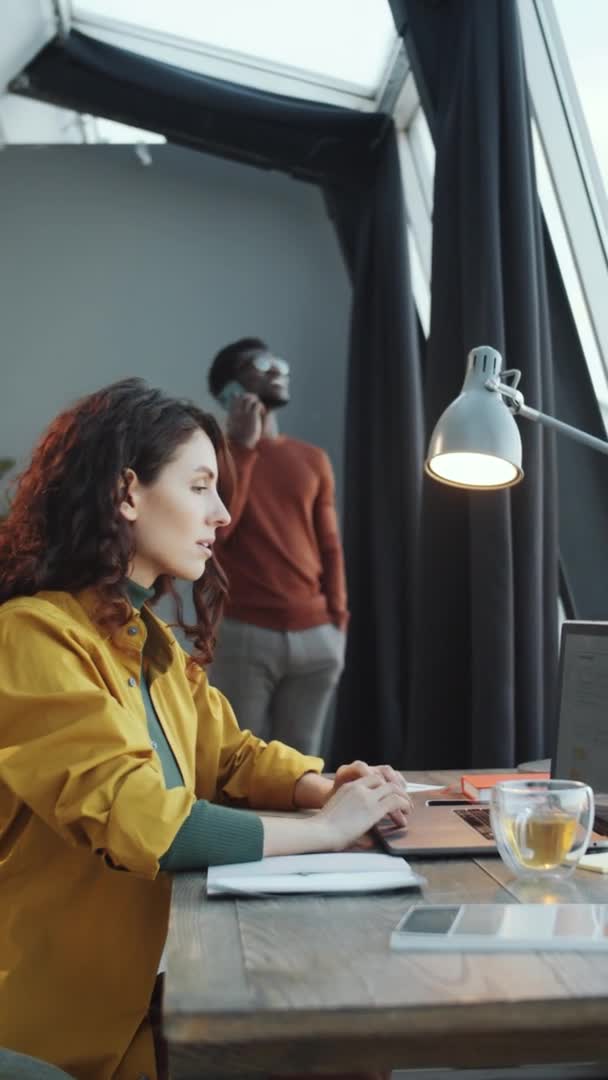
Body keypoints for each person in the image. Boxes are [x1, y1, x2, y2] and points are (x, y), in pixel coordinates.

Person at [0, 378, 411, 1080]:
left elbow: (230, 755)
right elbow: (143, 820)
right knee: (345, 1053)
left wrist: (320, 787)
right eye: (199, 486)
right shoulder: (31, 637)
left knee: (353, 1050)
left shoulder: (145, 637)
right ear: (127, 494)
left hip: (162, 982)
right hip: (80, 1025)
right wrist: (327, 831)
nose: (222, 514)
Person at [207, 337, 348, 756]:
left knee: (303, 766)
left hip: (317, 636)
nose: (278, 369)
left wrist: (339, 624)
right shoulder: (211, 457)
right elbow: (218, 531)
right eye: (261, 364)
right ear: (231, 391)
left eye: (279, 361)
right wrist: (243, 448)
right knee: (237, 763)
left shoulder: (312, 459)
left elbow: (330, 547)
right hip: (245, 633)